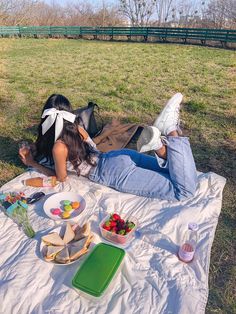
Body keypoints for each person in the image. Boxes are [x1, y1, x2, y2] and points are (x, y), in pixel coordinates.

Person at [19, 93, 198, 201]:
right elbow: (92, 145)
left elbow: (61, 178)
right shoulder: (78, 129)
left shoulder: (58, 147)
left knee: (183, 190)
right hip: (118, 156)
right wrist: (34, 149)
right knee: (172, 172)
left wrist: (31, 162)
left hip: (111, 173)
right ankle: (158, 145)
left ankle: (170, 130)